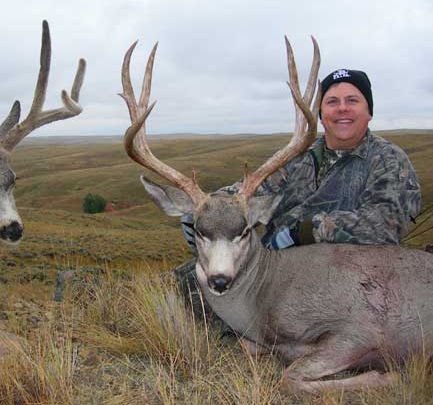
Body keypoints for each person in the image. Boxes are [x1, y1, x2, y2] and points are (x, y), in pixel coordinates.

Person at [176, 68, 421, 329]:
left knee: (209, 314)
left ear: (368, 111)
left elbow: (385, 224)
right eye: (332, 102)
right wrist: (205, 209)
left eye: (352, 100)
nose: (342, 109)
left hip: (337, 278)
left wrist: (307, 231)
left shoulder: (388, 160)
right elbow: (246, 195)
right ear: (321, 114)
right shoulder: (297, 158)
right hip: (273, 266)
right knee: (175, 286)